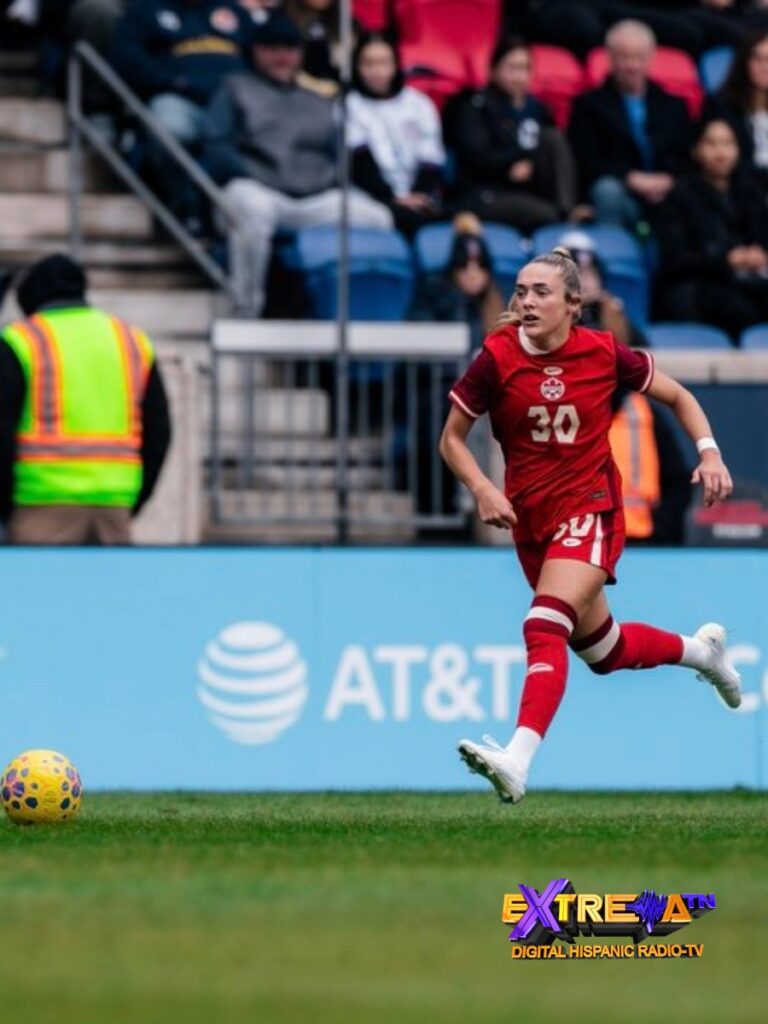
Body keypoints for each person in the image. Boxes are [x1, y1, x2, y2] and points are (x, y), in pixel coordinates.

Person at [439, 246, 740, 805]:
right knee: (605, 652)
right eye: (522, 291)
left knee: (542, 625)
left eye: (541, 292)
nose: (527, 301)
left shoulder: (604, 353)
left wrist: (710, 453)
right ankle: (702, 654)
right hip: (533, 521)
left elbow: (678, 395)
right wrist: (483, 487)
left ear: (574, 305)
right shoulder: (497, 357)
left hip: (591, 508)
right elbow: (451, 439)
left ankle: (517, 759)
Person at [203, 10, 392, 314]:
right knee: (251, 208)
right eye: (273, 48)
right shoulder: (235, 88)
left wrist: (331, 179)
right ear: (257, 50)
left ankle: (351, 312)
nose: (282, 56)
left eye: (290, 48)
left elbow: (339, 156)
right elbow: (216, 146)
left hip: (313, 198)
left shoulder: (318, 98)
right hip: (258, 190)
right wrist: (251, 172)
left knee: (378, 218)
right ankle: (245, 309)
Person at [0, 254, 171, 544]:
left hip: (39, 505)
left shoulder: (21, 340)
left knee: (43, 589)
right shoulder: (131, 339)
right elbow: (159, 431)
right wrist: (133, 500)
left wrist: (5, 506)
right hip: (114, 505)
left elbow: (1, 431)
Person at [114, 0, 251, 233]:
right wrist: (172, 81)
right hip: (180, 98)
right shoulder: (146, 10)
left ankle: (233, 218)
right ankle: (185, 205)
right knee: (168, 126)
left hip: (233, 103)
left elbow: (257, 54)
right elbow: (129, 60)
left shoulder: (234, 11)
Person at [568, 19, 691, 230]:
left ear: (651, 58)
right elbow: (586, 161)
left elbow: (687, 156)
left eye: (639, 58)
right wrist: (630, 178)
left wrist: (669, 180)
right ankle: (614, 256)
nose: (632, 66)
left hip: (667, 195)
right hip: (622, 193)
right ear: (610, 59)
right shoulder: (589, 105)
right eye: (624, 57)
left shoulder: (674, 106)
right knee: (607, 191)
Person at [450, 37, 582, 234]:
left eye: (525, 69)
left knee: (553, 137)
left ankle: (567, 209)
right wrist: (513, 164)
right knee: (547, 216)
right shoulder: (476, 106)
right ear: (493, 70)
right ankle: (566, 223)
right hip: (488, 192)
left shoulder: (539, 109)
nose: (519, 77)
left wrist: (530, 163)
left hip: (533, 191)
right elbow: (476, 158)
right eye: (512, 68)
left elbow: (552, 158)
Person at [656, 117, 768, 341]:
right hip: (697, 288)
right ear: (696, 150)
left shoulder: (751, 194)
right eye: (711, 143)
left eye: (727, 143)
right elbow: (675, 261)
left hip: (747, 282)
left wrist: (759, 254)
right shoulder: (678, 197)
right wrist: (726, 261)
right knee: (737, 308)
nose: (720, 152)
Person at [348, 33, 446, 238]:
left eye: (384, 63)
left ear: (396, 64)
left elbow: (431, 158)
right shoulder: (349, 105)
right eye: (368, 63)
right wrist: (392, 198)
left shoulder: (419, 103)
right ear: (356, 66)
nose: (376, 71)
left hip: (419, 197)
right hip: (371, 199)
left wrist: (420, 194)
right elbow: (360, 163)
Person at [704, 29, 768, 189]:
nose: (765, 67)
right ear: (744, 62)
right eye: (758, 59)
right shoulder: (722, 106)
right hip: (745, 192)